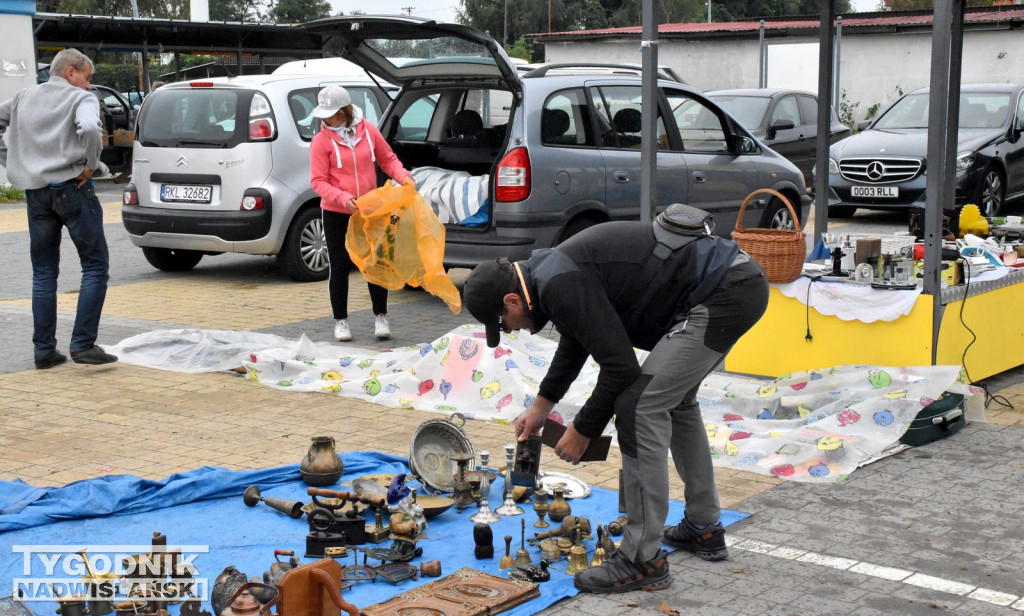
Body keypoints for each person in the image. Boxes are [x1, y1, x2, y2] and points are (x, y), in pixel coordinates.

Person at [463, 212, 769, 594]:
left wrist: (582, 430)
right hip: (733, 285)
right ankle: (703, 528)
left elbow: (620, 367)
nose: (513, 329)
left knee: (639, 406)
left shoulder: (558, 282)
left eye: (505, 323)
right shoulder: (550, 274)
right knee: (673, 400)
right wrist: (542, 406)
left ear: (512, 300)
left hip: (724, 293)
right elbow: (577, 338)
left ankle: (643, 559)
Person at [0, 48, 117, 369]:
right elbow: (91, 130)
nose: (89, 85)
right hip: (73, 188)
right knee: (95, 267)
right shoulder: (81, 99)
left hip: (36, 194)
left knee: (43, 273)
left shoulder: (24, 96)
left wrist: (12, 160)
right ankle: (82, 344)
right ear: (70, 72)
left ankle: (44, 352)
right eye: (87, 77)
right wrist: (91, 165)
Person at [309, 85, 414, 342]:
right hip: (337, 212)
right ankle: (341, 322)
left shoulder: (368, 130)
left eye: (334, 114)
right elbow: (318, 181)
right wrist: (343, 198)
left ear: (346, 110)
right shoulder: (321, 141)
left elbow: (387, 159)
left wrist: (403, 176)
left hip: (369, 209)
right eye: (325, 115)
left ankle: (380, 317)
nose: (329, 119)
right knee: (339, 266)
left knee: (375, 263)